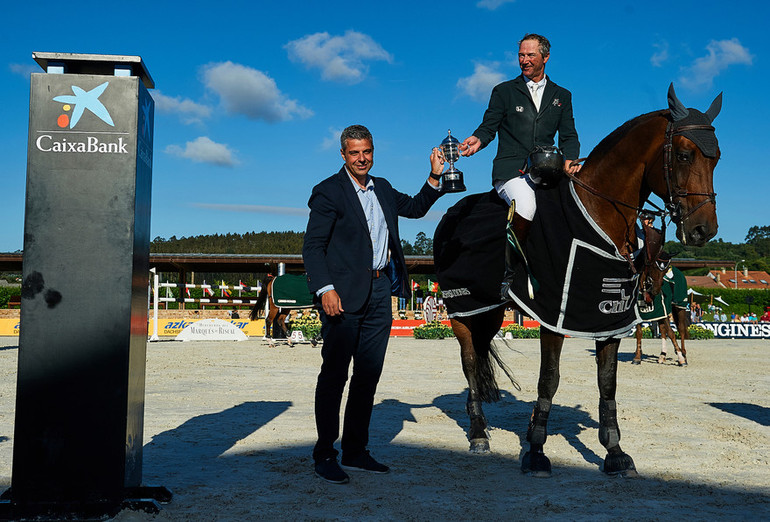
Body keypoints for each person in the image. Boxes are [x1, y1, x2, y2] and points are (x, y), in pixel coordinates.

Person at [303, 124, 444, 484]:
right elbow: (313, 247)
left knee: (368, 375)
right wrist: (325, 289)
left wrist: (433, 176)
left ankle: (355, 450)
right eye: (354, 153)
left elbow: (414, 208)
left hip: (381, 293)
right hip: (343, 297)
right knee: (334, 375)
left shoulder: (381, 187)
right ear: (343, 155)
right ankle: (324, 453)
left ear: (373, 151)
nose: (362, 158)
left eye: (366, 151)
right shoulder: (328, 192)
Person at [460, 33, 580, 241]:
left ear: (546, 57)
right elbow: (489, 127)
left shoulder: (563, 95)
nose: (524, 60)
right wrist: (478, 139)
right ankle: (512, 268)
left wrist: (570, 159)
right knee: (526, 204)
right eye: (521, 55)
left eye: (531, 55)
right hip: (511, 172)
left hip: (549, 172)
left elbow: (568, 135)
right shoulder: (503, 91)